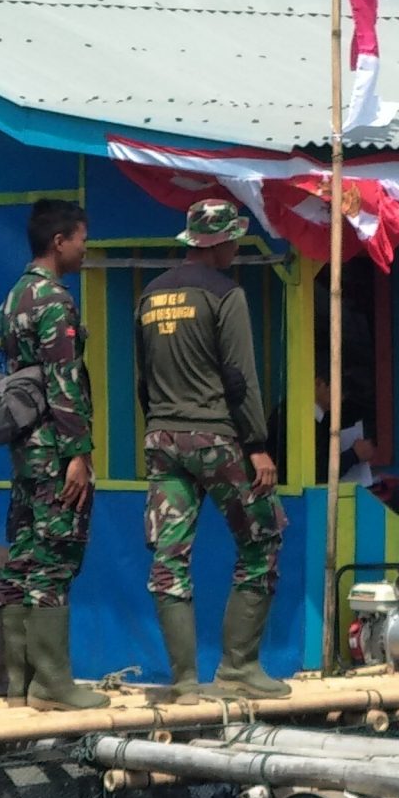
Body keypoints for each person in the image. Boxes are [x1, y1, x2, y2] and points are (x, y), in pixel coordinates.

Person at [136, 198, 288, 701]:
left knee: (169, 557)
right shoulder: (227, 295)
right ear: (220, 241)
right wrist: (259, 447)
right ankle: (238, 668)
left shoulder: (149, 296)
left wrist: (161, 426)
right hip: (216, 439)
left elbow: (142, 381)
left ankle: (183, 682)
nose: (237, 246)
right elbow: (239, 378)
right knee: (262, 539)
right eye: (234, 239)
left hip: (161, 440)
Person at [0, 197, 106, 709]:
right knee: (55, 560)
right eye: (81, 238)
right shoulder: (55, 301)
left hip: (23, 451)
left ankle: (17, 687)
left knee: (21, 558)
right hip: (54, 452)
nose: (86, 248)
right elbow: (63, 381)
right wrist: (77, 454)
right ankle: (53, 685)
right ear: (59, 242)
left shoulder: (14, 297)